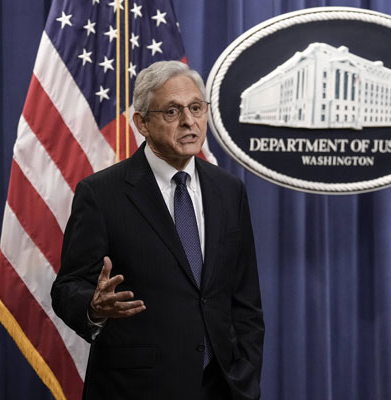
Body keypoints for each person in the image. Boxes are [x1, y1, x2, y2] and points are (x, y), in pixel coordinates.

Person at [51, 60, 264, 400]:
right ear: (142, 123)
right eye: (172, 112)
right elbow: (67, 287)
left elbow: (245, 300)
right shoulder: (102, 193)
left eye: (196, 108)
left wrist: (245, 378)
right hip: (136, 388)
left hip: (222, 385)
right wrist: (92, 306)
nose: (188, 121)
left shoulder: (229, 190)